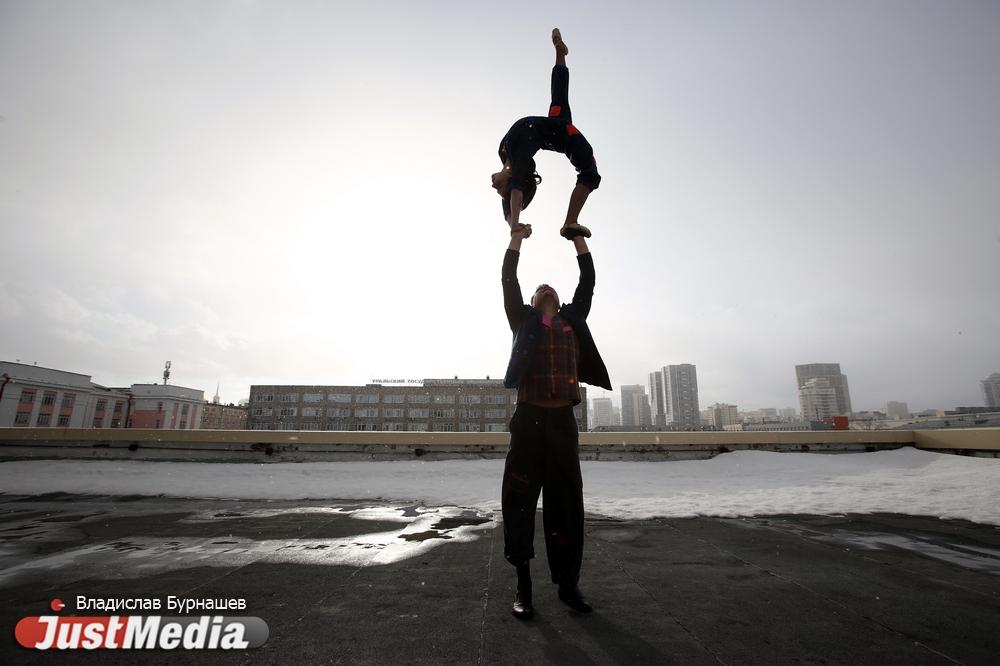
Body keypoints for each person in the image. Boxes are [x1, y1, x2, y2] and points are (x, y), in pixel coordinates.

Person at [500, 221, 612, 620]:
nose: (546, 287)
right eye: (539, 288)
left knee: (566, 505)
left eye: (552, 286)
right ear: (532, 301)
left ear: (560, 299)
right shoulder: (524, 321)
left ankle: (568, 584)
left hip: (563, 425)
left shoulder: (571, 320)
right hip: (529, 424)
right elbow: (508, 281)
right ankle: (523, 584)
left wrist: (578, 240)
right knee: (519, 503)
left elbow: (589, 282)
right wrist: (517, 239)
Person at [492, 28, 601, 240]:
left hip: (554, 128)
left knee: (560, 93)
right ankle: (570, 222)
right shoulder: (519, 161)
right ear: (513, 180)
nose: (494, 187)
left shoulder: (505, 154)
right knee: (590, 173)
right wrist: (514, 226)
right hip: (564, 135)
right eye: (500, 188)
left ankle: (560, 52)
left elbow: (509, 199)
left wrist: (511, 221)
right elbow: (514, 193)